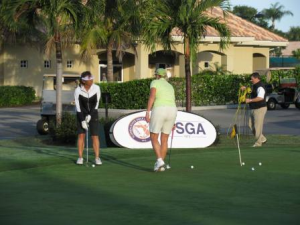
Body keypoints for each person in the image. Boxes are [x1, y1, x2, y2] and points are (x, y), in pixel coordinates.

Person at [145, 68, 177, 172]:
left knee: (154, 136)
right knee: (164, 139)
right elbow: (172, 101)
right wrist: (174, 121)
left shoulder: (155, 82)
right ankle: (161, 166)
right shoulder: (170, 85)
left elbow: (152, 96)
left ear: (157, 75)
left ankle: (159, 160)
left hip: (160, 109)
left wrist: (147, 112)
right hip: (172, 111)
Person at [74, 71, 102, 165]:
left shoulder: (97, 88)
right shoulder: (78, 90)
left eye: (91, 78)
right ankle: (80, 158)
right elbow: (78, 106)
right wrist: (82, 120)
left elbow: (96, 103)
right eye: (89, 79)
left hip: (93, 113)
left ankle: (97, 158)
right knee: (81, 135)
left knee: (95, 136)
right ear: (83, 81)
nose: (91, 80)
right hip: (81, 113)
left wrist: (90, 115)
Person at [241, 72, 267, 147]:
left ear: (256, 78)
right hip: (253, 108)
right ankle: (262, 138)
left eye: (252, 79)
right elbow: (251, 89)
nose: (251, 80)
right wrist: (245, 88)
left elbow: (260, 98)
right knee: (250, 124)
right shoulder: (254, 85)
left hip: (260, 108)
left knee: (257, 126)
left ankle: (258, 143)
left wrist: (250, 100)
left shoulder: (260, 87)